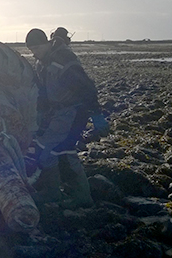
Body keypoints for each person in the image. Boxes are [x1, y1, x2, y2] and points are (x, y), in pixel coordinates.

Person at [25, 27, 104, 208]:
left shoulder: (63, 62)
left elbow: (87, 89)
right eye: (31, 50)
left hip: (74, 113)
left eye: (37, 48)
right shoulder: (42, 64)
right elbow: (43, 93)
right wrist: (40, 115)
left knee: (61, 153)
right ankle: (56, 191)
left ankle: (79, 196)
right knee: (52, 150)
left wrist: (97, 115)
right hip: (58, 114)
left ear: (46, 43)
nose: (35, 53)